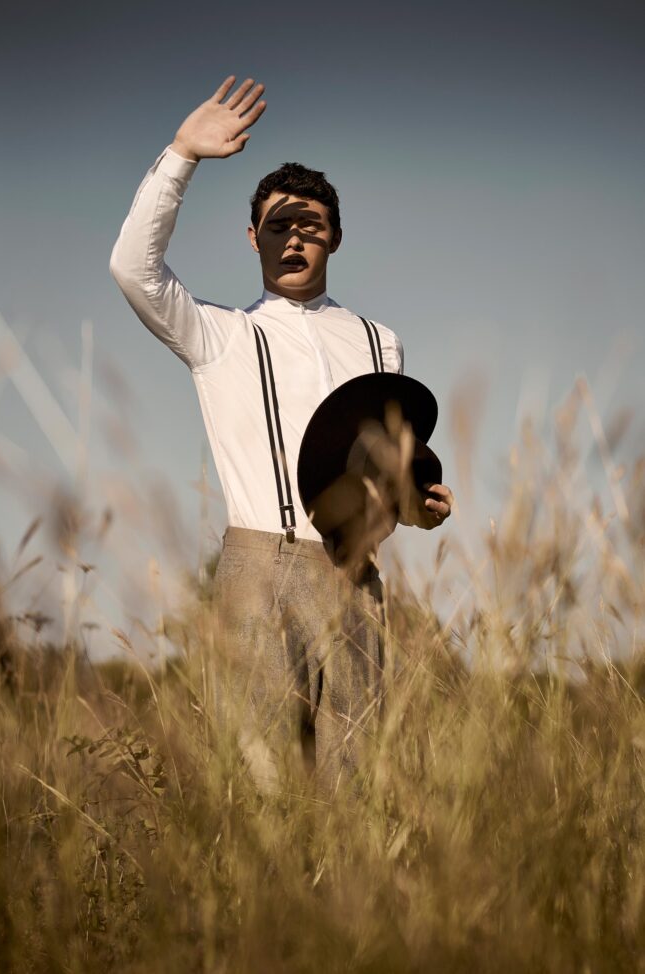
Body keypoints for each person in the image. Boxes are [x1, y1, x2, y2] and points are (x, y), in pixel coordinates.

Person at [109, 76, 454, 800]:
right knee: (260, 793)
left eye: (311, 225)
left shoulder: (380, 342)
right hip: (258, 569)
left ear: (336, 237)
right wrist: (182, 155)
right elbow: (133, 270)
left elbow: (382, 473)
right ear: (253, 238)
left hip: (355, 574)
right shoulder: (220, 335)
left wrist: (418, 506)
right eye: (277, 225)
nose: (294, 236)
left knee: (355, 791)